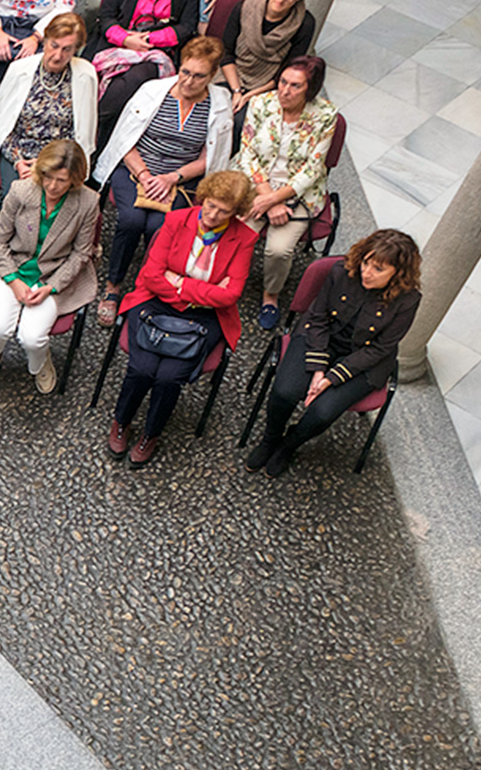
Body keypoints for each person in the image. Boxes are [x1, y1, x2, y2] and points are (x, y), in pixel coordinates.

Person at [106, 169, 255, 467]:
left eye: (223, 211)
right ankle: (121, 421)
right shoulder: (176, 220)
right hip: (156, 301)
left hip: (205, 316)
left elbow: (230, 295)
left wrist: (180, 285)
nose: (212, 215)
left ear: (236, 213)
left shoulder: (245, 238)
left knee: (169, 377)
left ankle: (151, 433)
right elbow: (151, 275)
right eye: (210, 205)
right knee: (141, 369)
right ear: (204, 197)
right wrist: (204, 291)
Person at [246, 229, 421, 477]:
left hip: (365, 358)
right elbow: (318, 317)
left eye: (378, 269)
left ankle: (289, 445)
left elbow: (381, 348)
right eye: (366, 262)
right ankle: (270, 439)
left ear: (398, 273)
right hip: (321, 337)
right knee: (285, 392)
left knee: (322, 413)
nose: (366, 272)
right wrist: (318, 368)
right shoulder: (342, 271)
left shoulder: (408, 300)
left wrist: (331, 377)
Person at [92, 34, 232, 323]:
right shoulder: (152, 91)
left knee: (160, 226)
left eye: (199, 76)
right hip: (136, 168)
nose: (188, 81)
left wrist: (172, 178)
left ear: (212, 76)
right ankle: (113, 285)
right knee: (131, 221)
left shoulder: (220, 103)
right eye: (185, 72)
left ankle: (147, 284)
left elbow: (211, 156)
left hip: (181, 177)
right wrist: (144, 175)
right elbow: (125, 141)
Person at [0, 138, 99, 396]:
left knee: (32, 338)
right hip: (11, 264)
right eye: (48, 177)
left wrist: (51, 287)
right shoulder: (21, 190)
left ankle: (39, 364)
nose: (52, 186)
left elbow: (80, 254)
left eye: (61, 180)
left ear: (75, 180)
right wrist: (13, 279)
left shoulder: (88, 202)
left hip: (53, 273)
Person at [233, 55, 336, 326]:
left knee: (278, 250)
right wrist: (268, 198)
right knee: (238, 232)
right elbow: (247, 154)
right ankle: (229, 281)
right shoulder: (260, 103)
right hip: (256, 183)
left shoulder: (326, 115)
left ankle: (271, 295)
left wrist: (275, 200)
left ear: (310, 89)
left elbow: (313, 169)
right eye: (282, 82)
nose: (285, 91)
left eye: (295, 86)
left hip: (298, 193)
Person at [91, 0, 202, 144]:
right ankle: (98, 140)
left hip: (156, 51)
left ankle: (92, 125)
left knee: (135, 80)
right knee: (99, 81)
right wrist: (126, 39)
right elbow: (107, 16)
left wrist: (150, 40)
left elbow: (187, 26)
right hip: (117, 43)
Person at [0, 12, 97, 200]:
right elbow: (1, 124)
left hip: (60, 159)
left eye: (67, 49)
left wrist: (49, 165)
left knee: (53, 200)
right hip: (19, 152)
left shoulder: (85, 75)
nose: (57, 56)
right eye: (54, 46)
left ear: (76, 50)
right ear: (45, 41)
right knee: (18, 197)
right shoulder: (19, 70)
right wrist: (18, 161)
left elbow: (82, 131)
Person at [220, 0, 315, 128]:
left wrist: (248, 96)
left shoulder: (304, 24)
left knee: (243, 123)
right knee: (214, 110)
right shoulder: (245, 7)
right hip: (232, 74)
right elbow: (226, 53)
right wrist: (237, 91)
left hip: (268, 85)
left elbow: (288, 70)